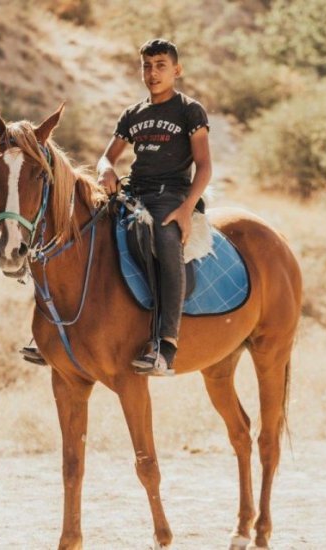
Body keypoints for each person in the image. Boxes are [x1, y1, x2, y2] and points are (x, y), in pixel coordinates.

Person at [97, 38, 212, 376]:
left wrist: (188, 208)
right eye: (146, 65)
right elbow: (108, 155)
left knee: (165, 240)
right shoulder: (132, 114)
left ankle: (166, 344)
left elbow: (204, 166)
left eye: (161, 65)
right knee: (81, 227)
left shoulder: (189, 110)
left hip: (170, 195)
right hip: (133, 192)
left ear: (177, 70)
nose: (152, 72)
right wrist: (105, 169)